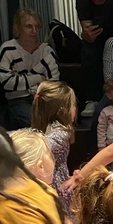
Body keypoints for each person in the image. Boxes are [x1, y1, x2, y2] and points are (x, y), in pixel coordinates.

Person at [0, 10, 60, 129]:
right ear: (18, 28)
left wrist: (23, 80)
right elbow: (8, 83)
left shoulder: (46, 51)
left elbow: (54, 83)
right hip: (18, 99)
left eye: (37, 27)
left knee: (59, 124)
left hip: (43, 99)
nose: (34, 31)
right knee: (35, 124)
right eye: (29, 27)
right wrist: (39, 77)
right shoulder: (8, 49)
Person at [32, 80, 78, 214]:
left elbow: (39, 146)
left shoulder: (61, 133)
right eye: (73, 106)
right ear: (63, 110)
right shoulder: (50, 130)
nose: (75, 110)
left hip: (57, 185)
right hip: (50, 185)